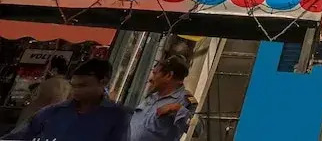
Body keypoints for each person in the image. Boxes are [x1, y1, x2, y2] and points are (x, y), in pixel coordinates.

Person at [2, 58, 130, 140]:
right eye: (74, 86)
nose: (76, 91)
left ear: (103, 82)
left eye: (83, 86)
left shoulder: (118, 116)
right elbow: (18, 136)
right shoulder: (52, 112)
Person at [129, 55, 196, 141]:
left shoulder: (185, 100)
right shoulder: (153, 95)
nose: (150, 79)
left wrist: (177, 109)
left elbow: (197, 130)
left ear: (168, 75)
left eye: (155, 74)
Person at [16, 55, 71, 128]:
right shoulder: (69, 86)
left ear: (54, 70)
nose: (46, 70)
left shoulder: (49, 84)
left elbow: (31, 100)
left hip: (31, 122)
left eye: (48, 67)